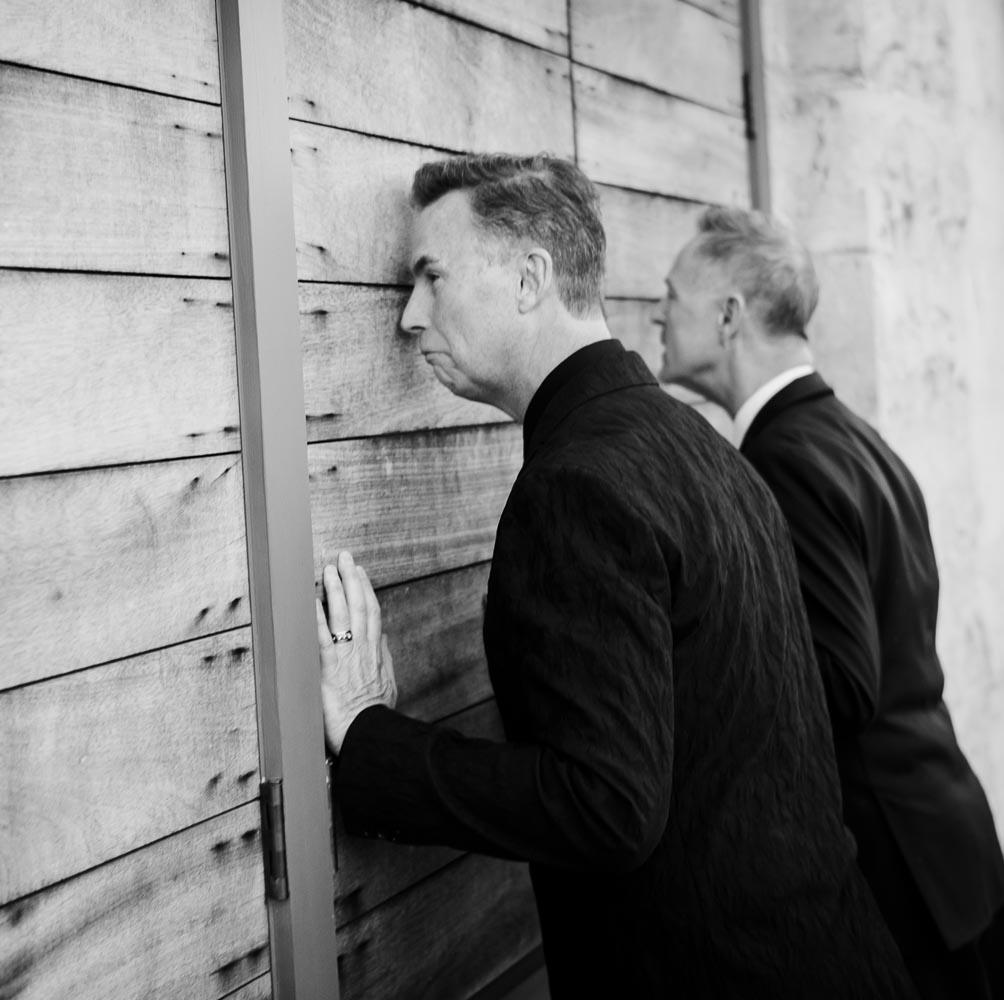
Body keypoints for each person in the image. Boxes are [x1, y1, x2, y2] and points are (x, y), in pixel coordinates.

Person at [314, 152, 916, 998]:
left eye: (430, 276)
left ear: (530, 278)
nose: (410, 316)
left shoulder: (579, 484)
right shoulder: (700, 445)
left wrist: (369, 735)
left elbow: (604, 805)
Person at [655, 205, 1004, 998]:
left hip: (901, 871)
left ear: (729, 315)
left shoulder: (787, 458)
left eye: (671, 295)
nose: (657, 313)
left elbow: (841, 681)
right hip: (948, 841)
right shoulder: (852, 436)